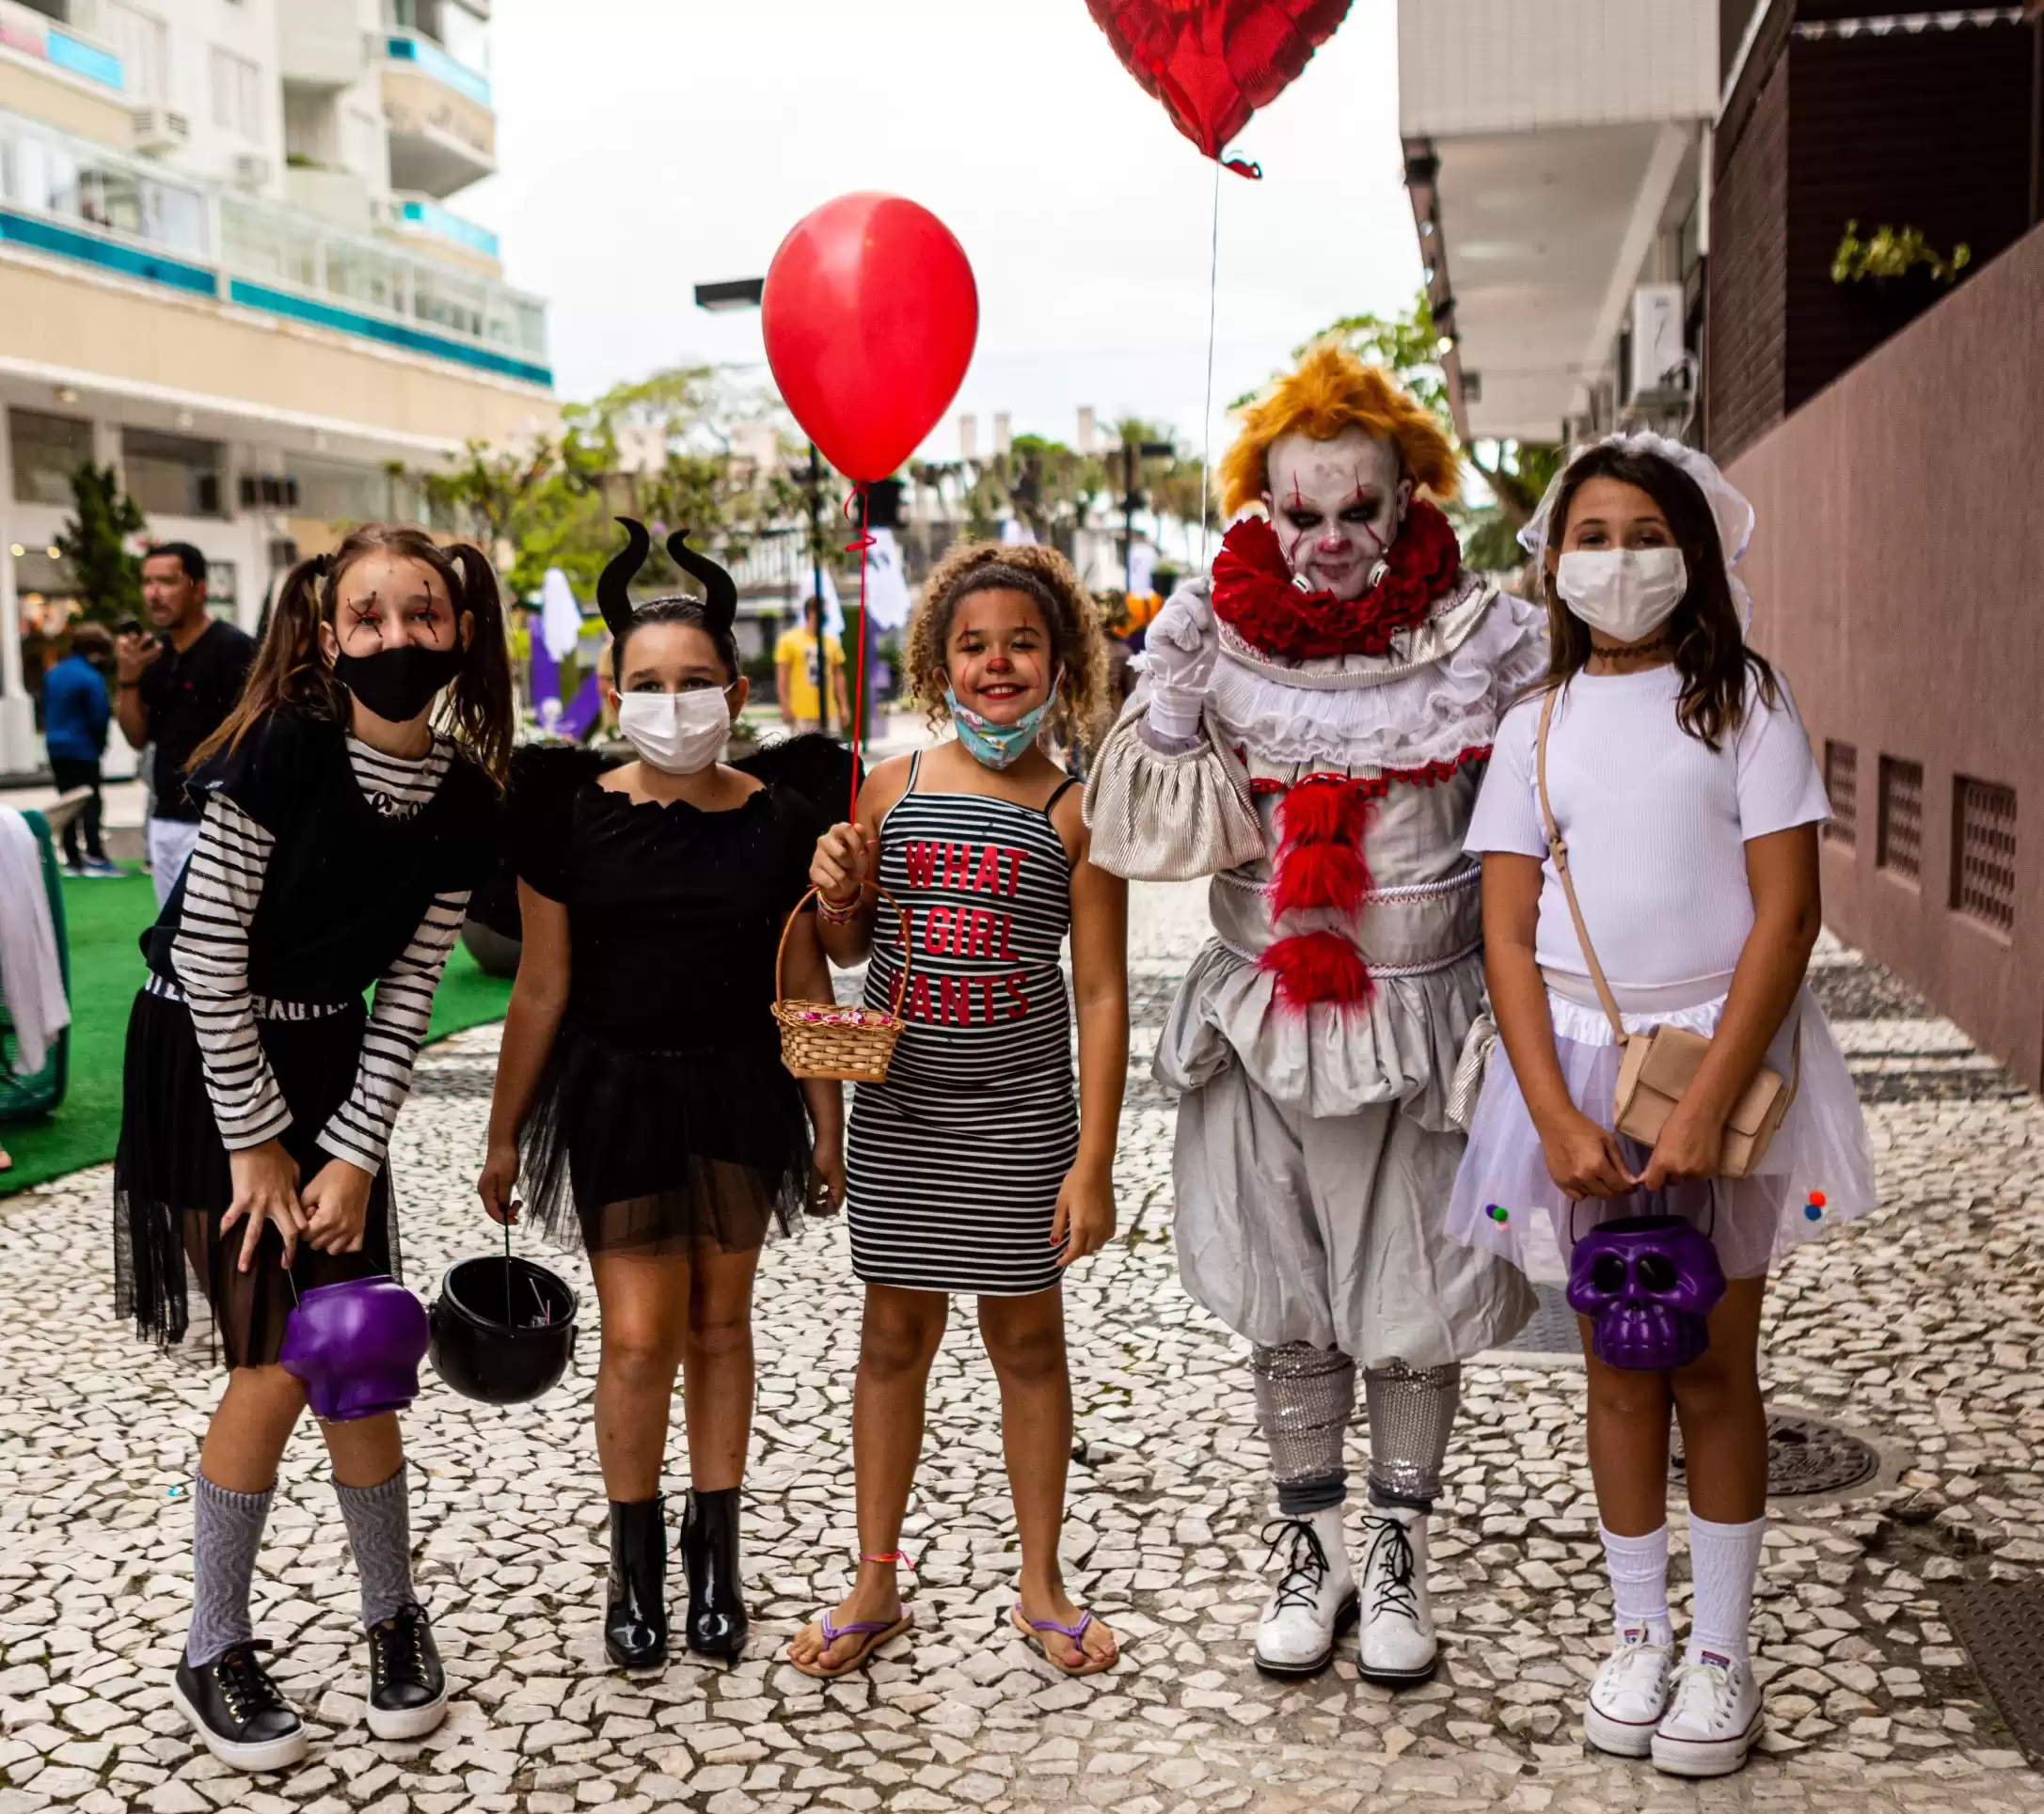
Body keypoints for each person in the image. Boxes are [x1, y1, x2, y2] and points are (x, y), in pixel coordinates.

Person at [1084, 342, 1546, 1683]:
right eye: (1304, 513)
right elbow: (1144, 836)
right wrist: (1168, 705)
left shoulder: (1483, 639)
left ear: (1408, 500)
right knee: (1287, 1293)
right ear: (1263, 508)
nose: (1333, 539)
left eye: (1360, 510)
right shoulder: (1211, 637)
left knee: (1415, 1294)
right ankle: (1312, 1541)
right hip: (1260, 1022)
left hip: (1427, 1029)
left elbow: (1545, 832)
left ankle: (1399, 1549)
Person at [1445, 435, 1874, 1777]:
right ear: (1552, 559)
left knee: (1709, 1357)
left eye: (1643, 532)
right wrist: (1553, 1115)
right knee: (1617, 1360)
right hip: (1571, 1073)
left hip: (1719, 1069)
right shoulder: (1535, 727)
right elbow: (1505, 935)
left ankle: (1721, 1655)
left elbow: (1788, 911)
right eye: (1590, 534)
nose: (1615, 559)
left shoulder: (1742, 702)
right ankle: (1637, 1631)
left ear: (1692, 552)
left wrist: (1705, 1106)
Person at [112, 526, 512, 1772]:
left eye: (425, 615)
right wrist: (261, 1151)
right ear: (329, 635)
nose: (400, 637)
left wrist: (347, 1150)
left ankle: (393, 1616)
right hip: (206, 1063)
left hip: (334, 1067)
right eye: (372, 616)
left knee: (360, 1349)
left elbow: (409, 996)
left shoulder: (462, 798)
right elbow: (205, 954)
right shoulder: (278, 749)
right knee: (280, 1358)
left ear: (459, 631)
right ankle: (210, 1639)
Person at [477, 521, 847, 1672]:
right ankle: (631, 1559)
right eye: (648, 684)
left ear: (736, 689)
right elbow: (540, 985)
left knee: (722, 1326)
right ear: (610, 691)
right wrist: (500, 1137)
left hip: (740, 1092)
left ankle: (715, 1550)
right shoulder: (570, 811)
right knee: (638, 1338)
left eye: (695, 683)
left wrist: (828, 1122)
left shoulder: (782, 814)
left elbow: (807, 980)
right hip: (616, 1092)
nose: (673, 703)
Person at [787, 542, 1127, 1680]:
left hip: (1020, 1118)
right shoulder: (892, 786)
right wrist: (841, 881)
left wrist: (1093, 1162)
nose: (997, 664)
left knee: (1027, 1342)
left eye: (1021, 644)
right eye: (973, 645)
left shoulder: (1078, 812)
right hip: (902, 1116)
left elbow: (1103, 992)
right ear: (939, 661)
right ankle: (875, 1579)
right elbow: (845, 944)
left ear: (1059, 662)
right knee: (892, 1339)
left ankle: (1041, 1581)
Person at [114, 544, 257, 907]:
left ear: (199, 589)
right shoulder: (156, 656)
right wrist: (128, 679)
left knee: (215, 943)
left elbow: (255, 737)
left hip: (217, 822)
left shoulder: (234, 650)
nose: (154, 593)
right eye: (147, 582)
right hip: (165, 819)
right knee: (169, 942)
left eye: (166, 581)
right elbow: (136, 737)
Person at [43, 620, 121, 875]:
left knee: (66, 800)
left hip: (56, 745)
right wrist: (100, 745)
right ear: (97, 650)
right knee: (90, 801)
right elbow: (99, 717)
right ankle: (95, 855)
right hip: (83, 747)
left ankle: (72, 857)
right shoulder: (91, 677)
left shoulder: (54, 673)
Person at [774, 592, 848, 734]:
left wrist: (843, 706)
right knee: (804, 755)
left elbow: (838, 675)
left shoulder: (831, 642)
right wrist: (784, 706)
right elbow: (782, 676)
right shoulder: (789, 640)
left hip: (829, 711)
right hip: (801, 712)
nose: (824, 616)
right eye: (821, 611)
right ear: (810, 613)